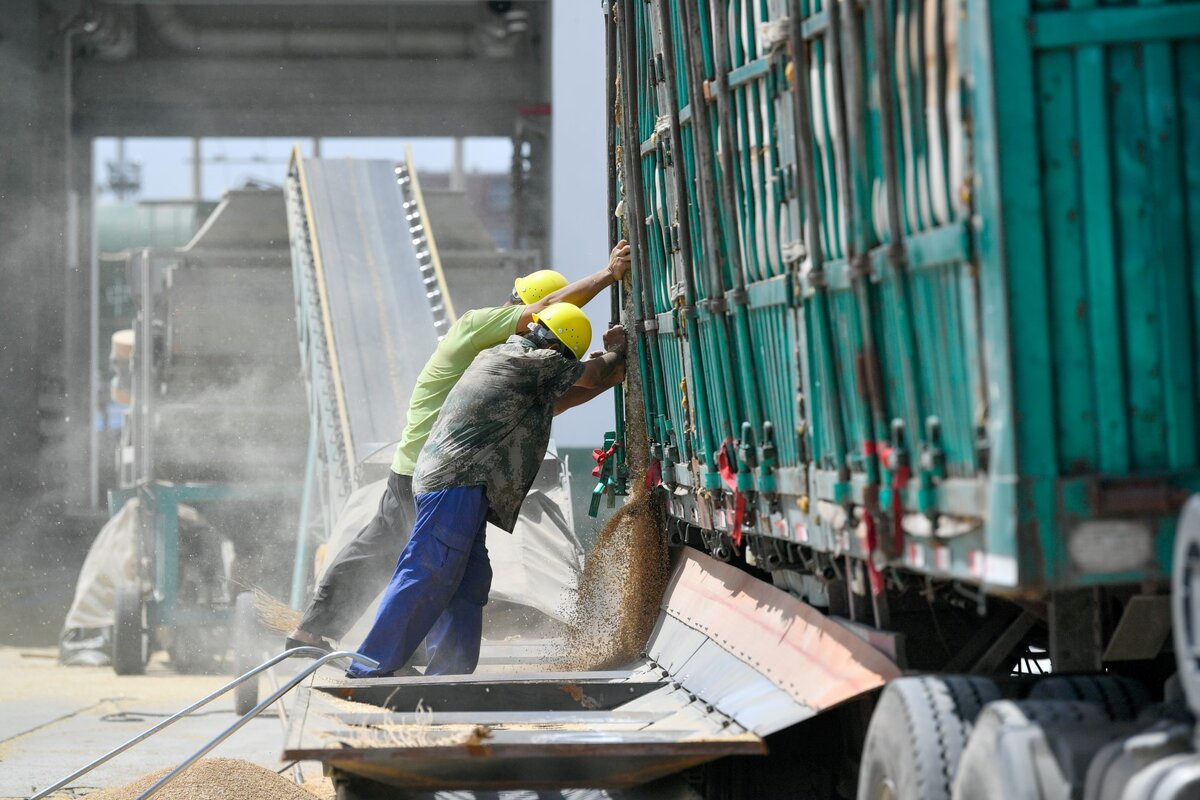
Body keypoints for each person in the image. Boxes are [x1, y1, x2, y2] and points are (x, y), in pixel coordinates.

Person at [288, 243, 631, 652]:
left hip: (444, 470)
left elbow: (557, 401)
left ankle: (336, 636)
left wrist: (610, 372)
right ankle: (368, 646)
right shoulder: (478, 329)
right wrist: (608, 275)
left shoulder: (519, 363)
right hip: (431, 468)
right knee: (422, 562)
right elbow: (550, 309)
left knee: (404, 556)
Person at [346, 302, 625, 677]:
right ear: (561, 349)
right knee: (428, 569)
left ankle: (450, 672)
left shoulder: (514, 360)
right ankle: (369, 665)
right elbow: (590, 376)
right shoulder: (528, 361)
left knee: (468, 578)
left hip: (465, 485)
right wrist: (618, 353)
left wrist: (610, 373)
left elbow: (567, 399)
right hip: (454, 482)